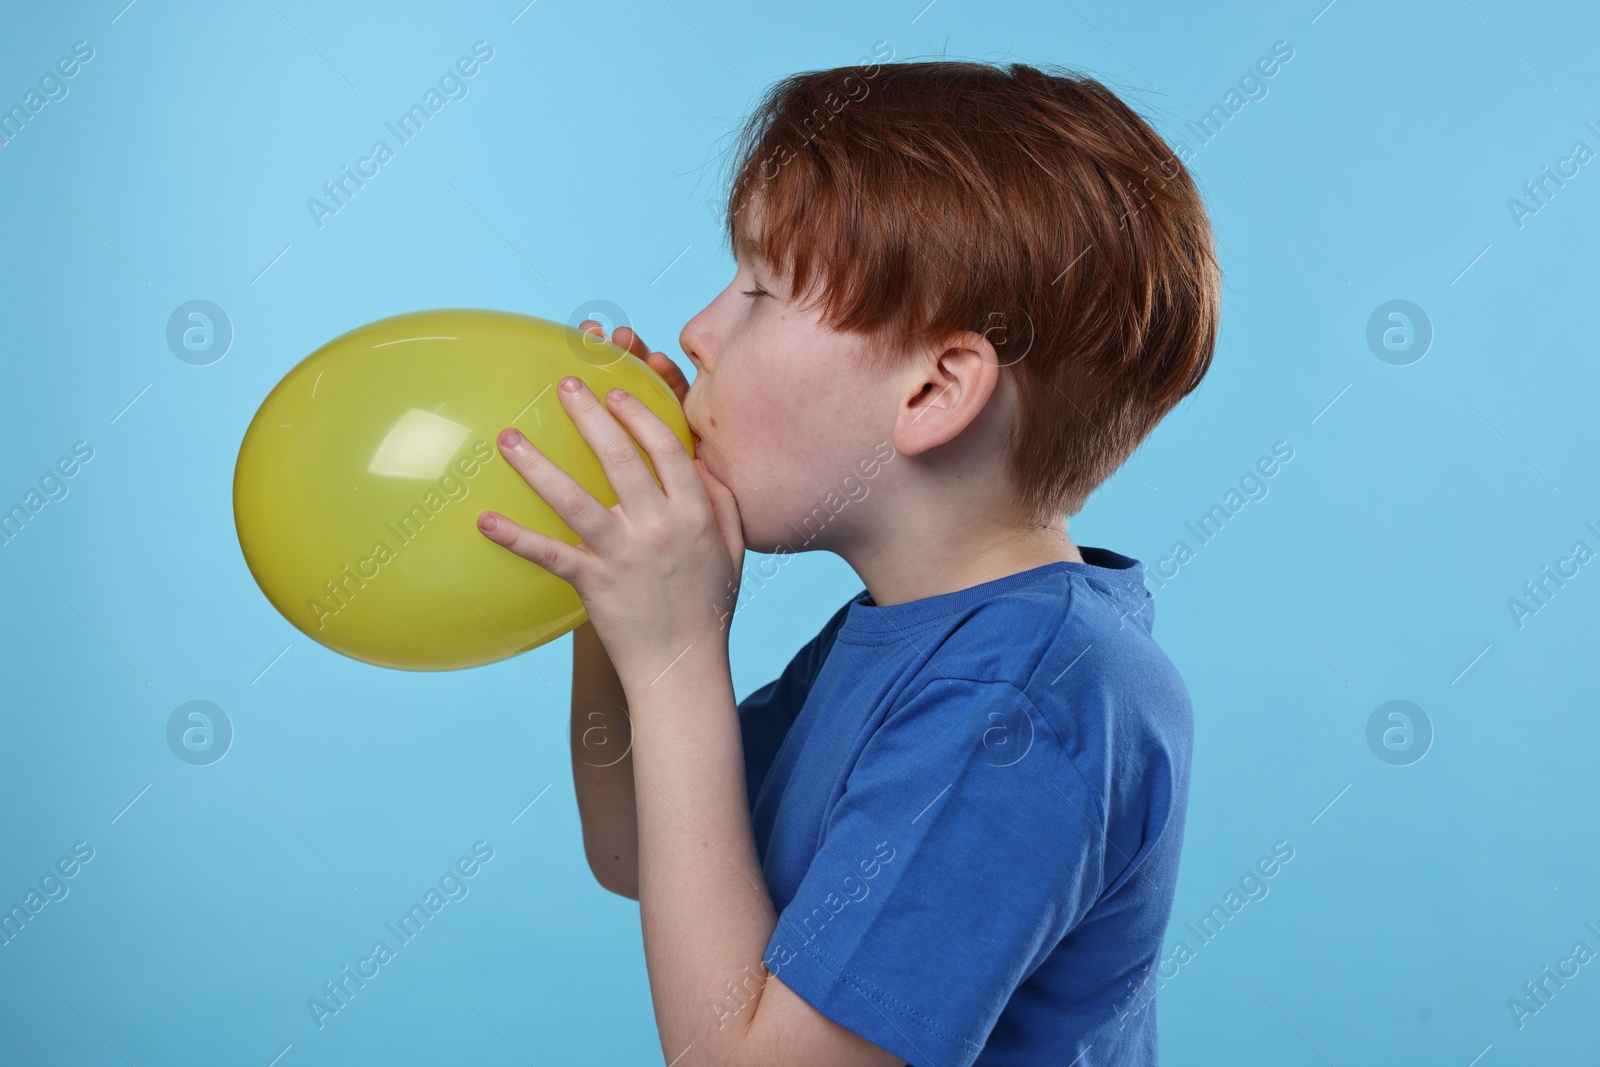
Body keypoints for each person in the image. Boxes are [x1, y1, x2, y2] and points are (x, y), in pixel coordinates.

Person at [477, 55, 1219, 1067]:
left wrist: (676, 651)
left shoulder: (1028, 693)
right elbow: (640, 850)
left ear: (931, 390)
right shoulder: (906, 630)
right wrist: (613, 602)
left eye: (759, 290)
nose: (697, 330)